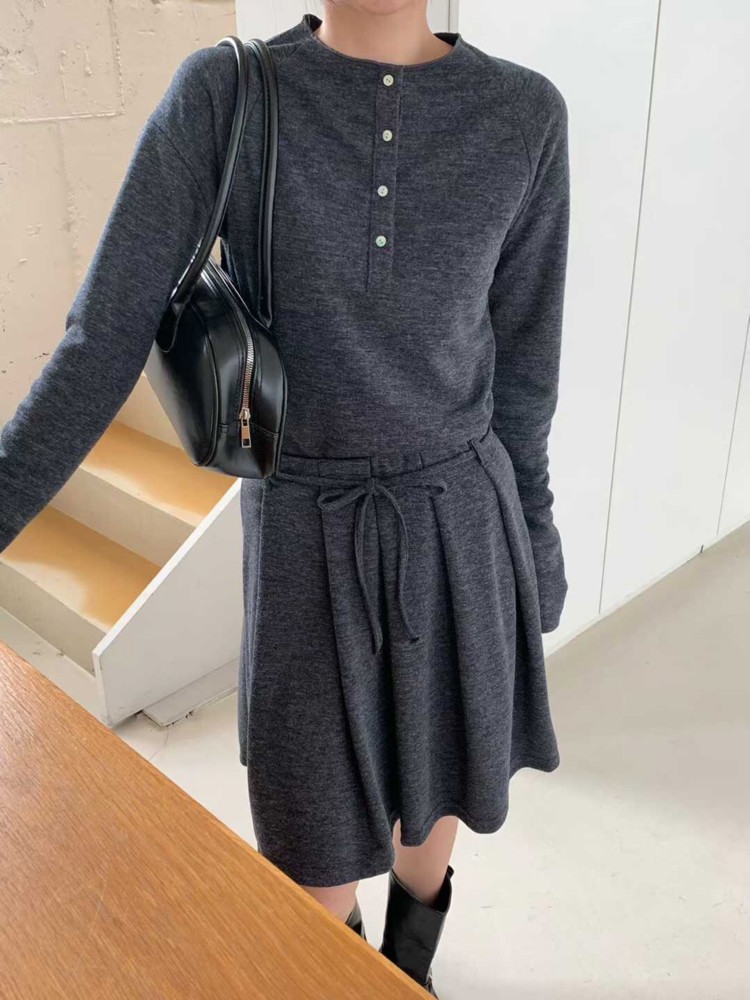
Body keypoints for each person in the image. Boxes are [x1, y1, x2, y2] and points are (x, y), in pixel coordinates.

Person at [0, 2, 570, 994]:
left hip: (463, 529)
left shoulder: (525, 114)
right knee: (308, 854)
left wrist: (538, 542)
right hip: (306, 536)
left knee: (436, 782)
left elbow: (523, 373)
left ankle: (411, 968)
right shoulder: (226, 95)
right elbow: (101, 343)